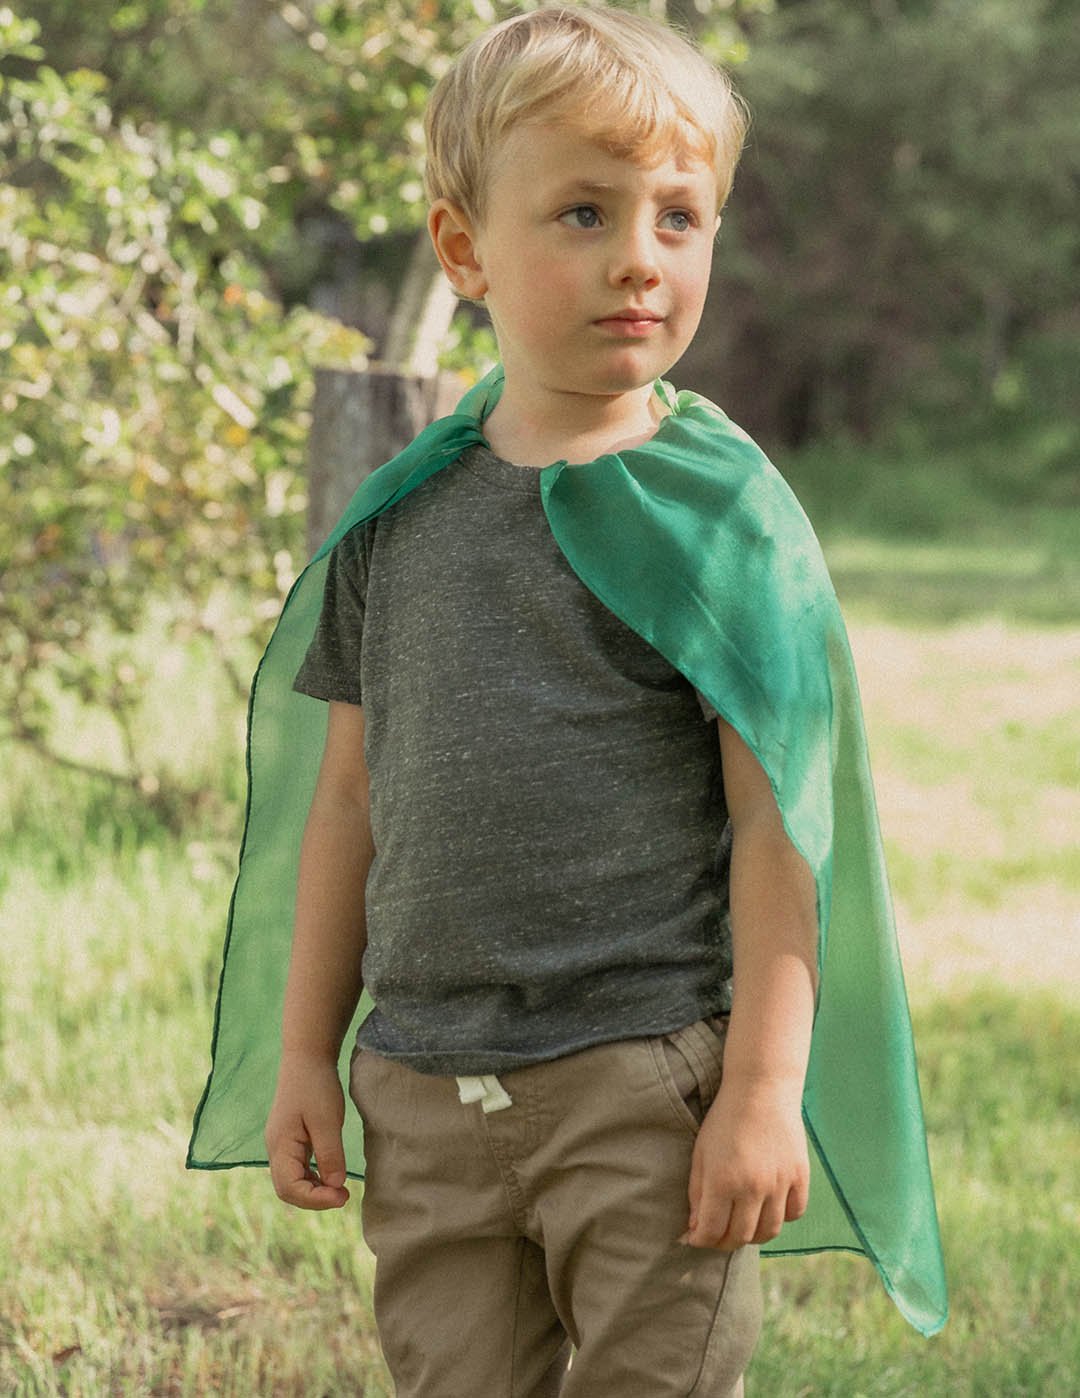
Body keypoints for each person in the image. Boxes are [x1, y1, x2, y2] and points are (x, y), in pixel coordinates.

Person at [188, 6, 947, 1393]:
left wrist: (761, 1090)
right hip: (423, 1088)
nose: (640, 257)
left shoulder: (722, 522)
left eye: (680, 216)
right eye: (585, 213)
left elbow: (783, 827)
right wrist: (305, 1052)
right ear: (464, 248)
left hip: (645, 1086)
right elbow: (347, 800)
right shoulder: (400, 522)